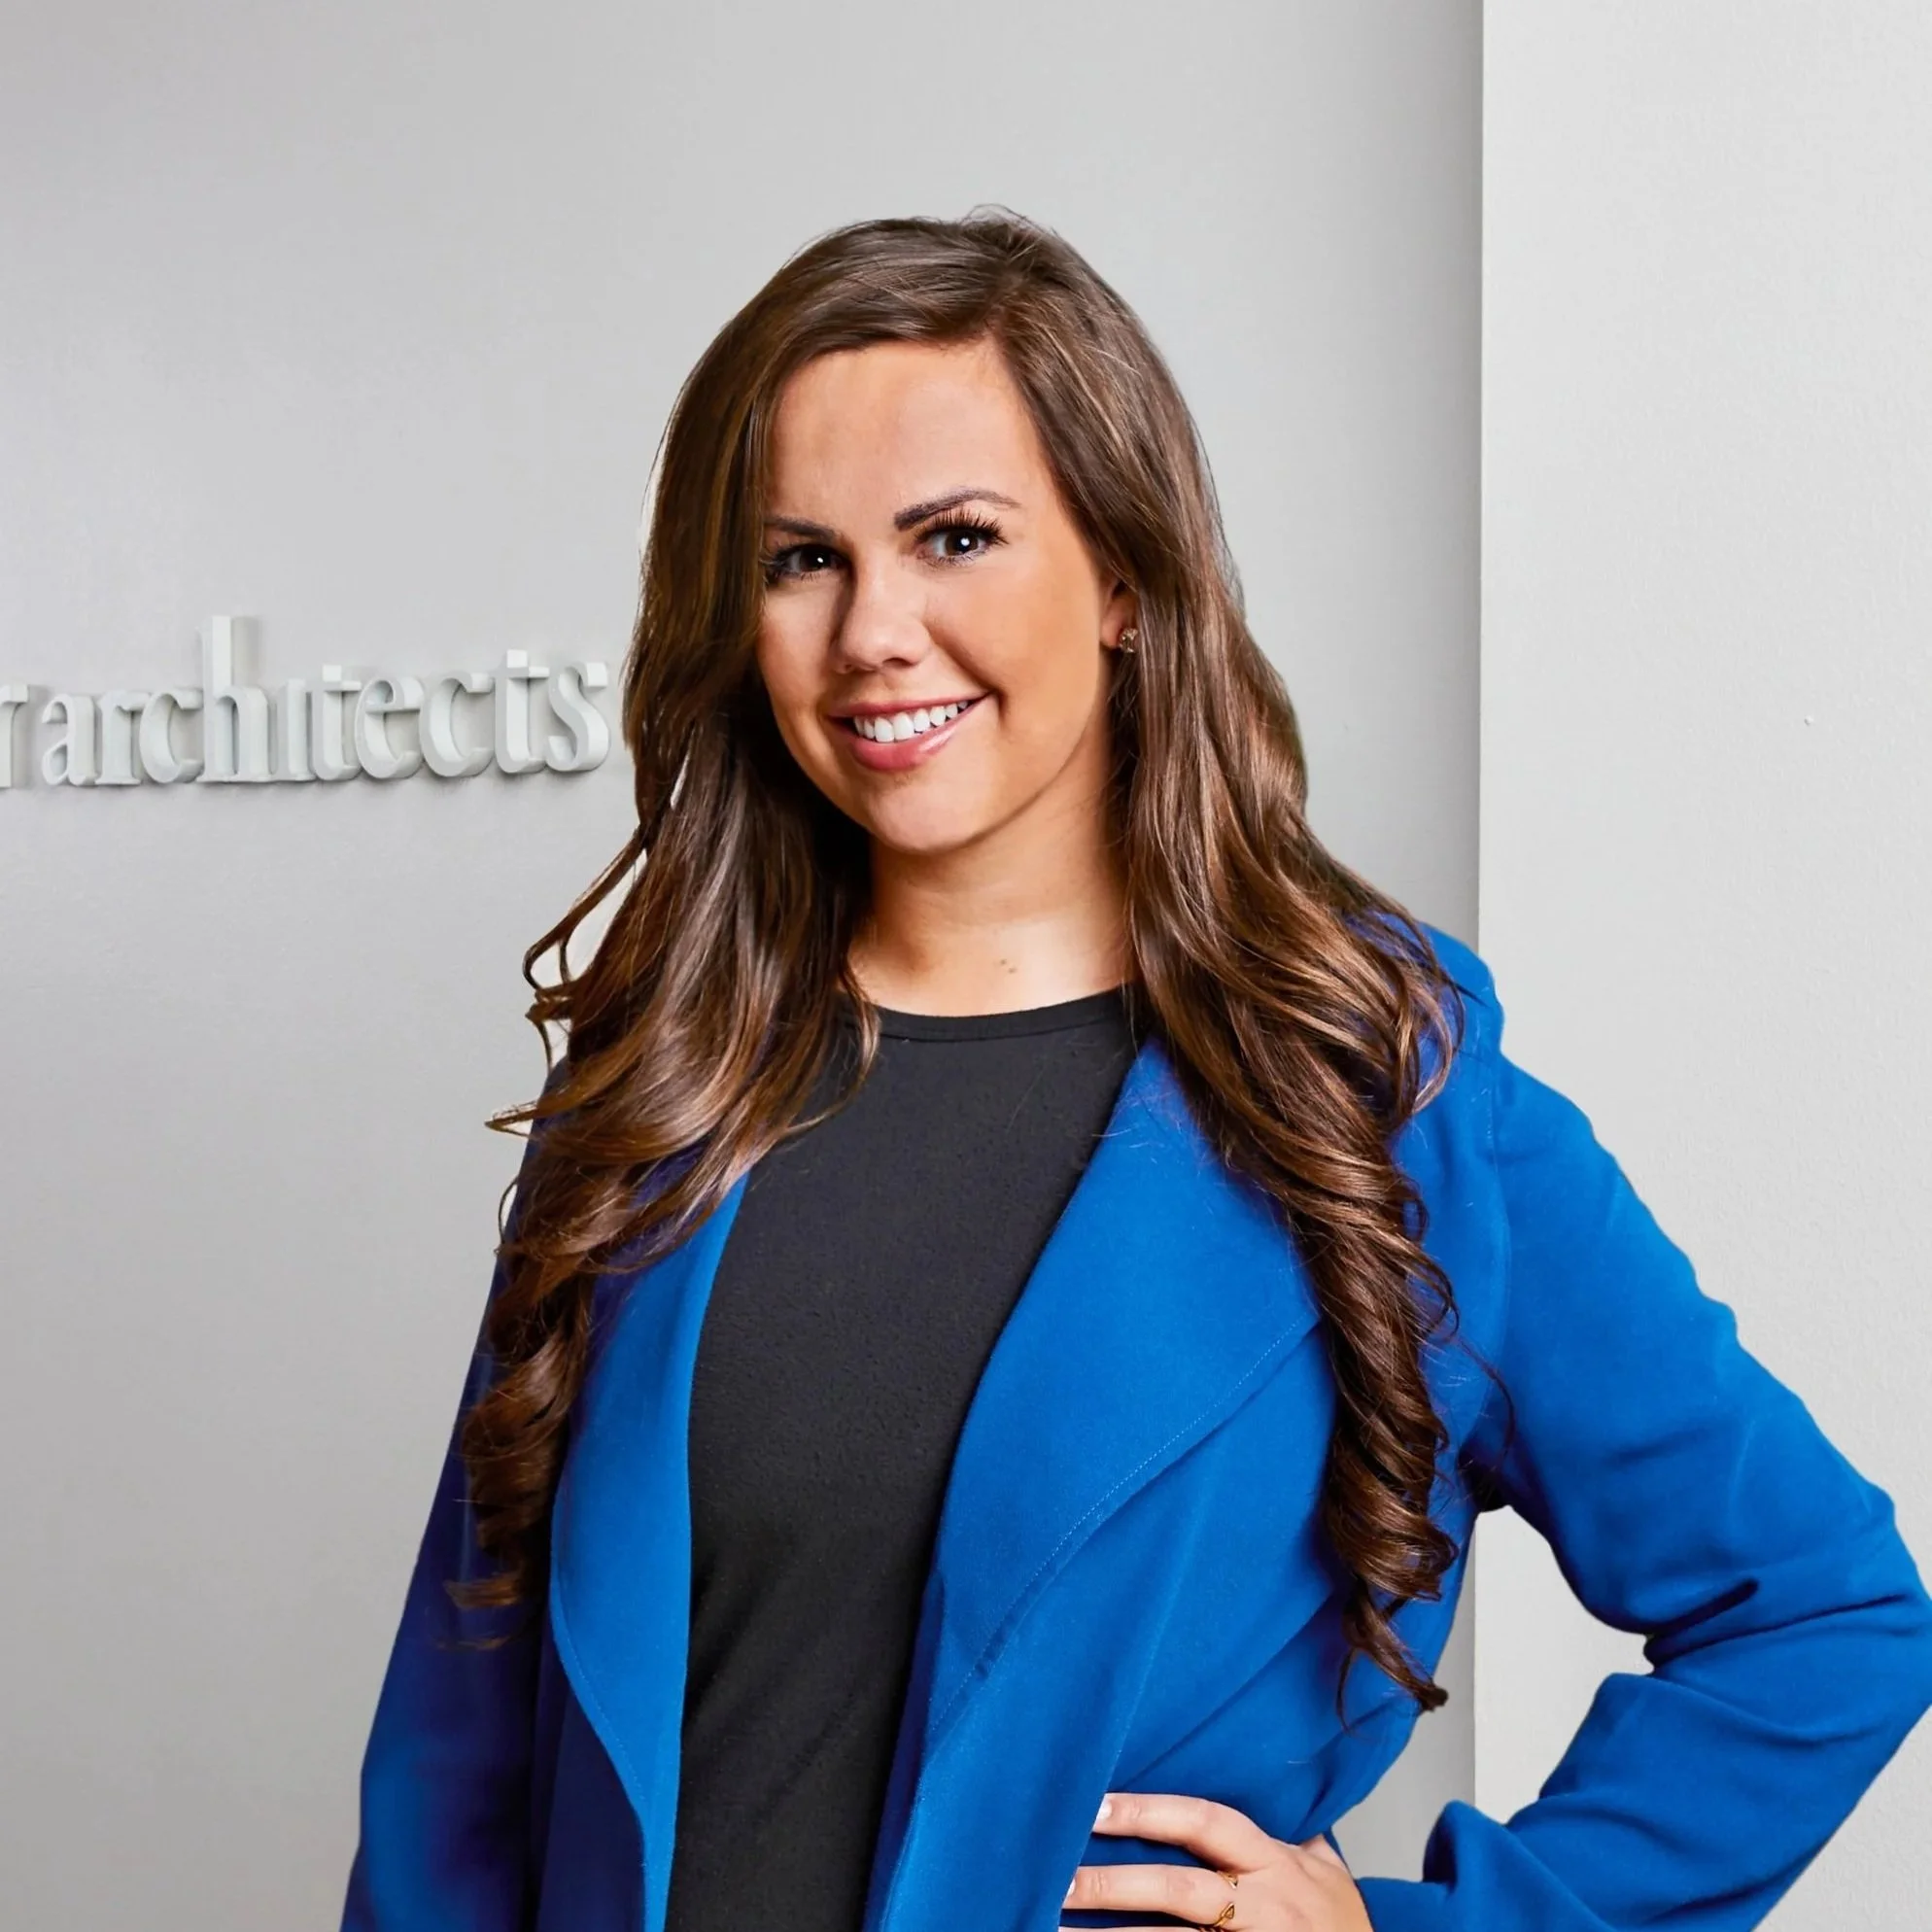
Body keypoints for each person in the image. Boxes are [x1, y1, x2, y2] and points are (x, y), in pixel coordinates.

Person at [340, 210, 1932, 1932]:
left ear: (1122, 580)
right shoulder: (666, 1082)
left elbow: (1826, 1616)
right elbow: (456, 1751)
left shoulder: (1386, 1102)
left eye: (956, 538)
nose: (875, 630)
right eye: (802, 559)